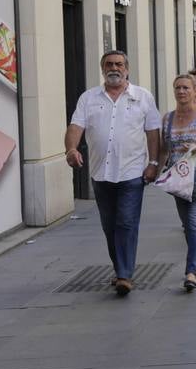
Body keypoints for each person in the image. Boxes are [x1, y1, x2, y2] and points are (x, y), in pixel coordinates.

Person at [65, 51, 161, 296]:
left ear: (127, 68)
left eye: (119, 64)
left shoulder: (142, 97)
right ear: (102, 68)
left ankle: (124, 275)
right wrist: (71, 149)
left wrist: (153, 162)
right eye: (109, 64)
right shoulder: (89, 98)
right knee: (110, 226)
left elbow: (152, 132)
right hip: (100, 173)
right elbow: (76, 126)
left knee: (126, 222)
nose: (114, 68)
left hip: (132, 171)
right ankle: (120, 267)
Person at [157, 74, 196, 291]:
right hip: (178, 181)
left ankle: (191, 271)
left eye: (185, 88)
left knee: (194, 222)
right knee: (188, 224)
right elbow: (165, 148)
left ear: (194, 91)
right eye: (177, 88)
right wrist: (156, 168)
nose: (181, 92)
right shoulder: (168, 119)